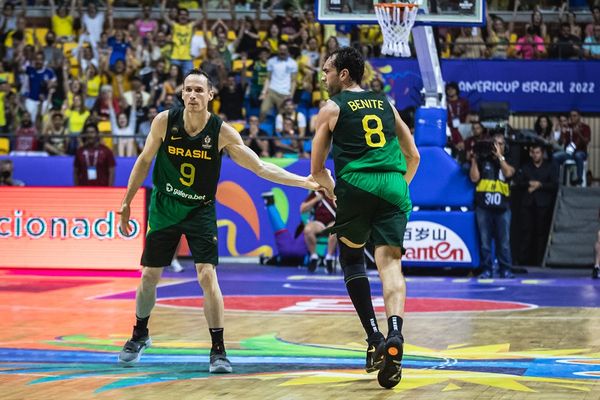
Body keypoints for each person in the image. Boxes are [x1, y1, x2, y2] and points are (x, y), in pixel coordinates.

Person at [116, 69, 320, 373]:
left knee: (206, 276)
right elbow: (144, 161)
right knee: (148, 276)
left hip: (200, 209)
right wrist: (126, 202)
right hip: (166, 206)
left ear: (211, 95)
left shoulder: (222, 133)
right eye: (188, 90)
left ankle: (218, 349)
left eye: (200, 90)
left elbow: (261, 168)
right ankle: (140, 334)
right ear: (182, 94)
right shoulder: (164, 122)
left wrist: (305, 182)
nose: (193, 95)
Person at [311, 47, 420, 389]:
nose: (324, 76)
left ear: (343, 74)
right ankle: (396, 334)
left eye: (327, 70)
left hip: (356, 184)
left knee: (352, 259)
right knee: (390, 265)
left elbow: (317, 170)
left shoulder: (331, 108)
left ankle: (374, 338)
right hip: (392, 184)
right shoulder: (386, 103)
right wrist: (396, 188)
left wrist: (334, 190)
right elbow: (412, 154)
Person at [470, 132, 516, 279]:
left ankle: (505, 269)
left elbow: (509, 173)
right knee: (485, 242)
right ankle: (487, 269)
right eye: (494, 143)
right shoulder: (483, 159)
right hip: (484, 207)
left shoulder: (508, 160)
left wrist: (500, 157)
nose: (496, 146)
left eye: (500, 144)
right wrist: (474, 160)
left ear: (505, 146)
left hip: (503, 208)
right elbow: (474, 178)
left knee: (504, 242)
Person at [514, 144, 558, 266]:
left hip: (543, 204)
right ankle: (523, 260)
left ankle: (540, 261)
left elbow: (554, 185)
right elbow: (518, 183)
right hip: (527, 204)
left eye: (537, 152)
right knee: (525, 232)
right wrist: (529, 183)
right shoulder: (526, 167)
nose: (535, 155)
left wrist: (540, 185)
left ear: (542, 153)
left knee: (541, 234)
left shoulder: (549, 167)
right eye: (533, 152)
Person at [300, 191, 337, 273]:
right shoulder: (316, 193)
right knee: (308, 230)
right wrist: (316, 199)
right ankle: (314, 257)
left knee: (336, 229)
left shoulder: (337, 192)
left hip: (333, 222)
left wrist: (336, 204)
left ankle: (329, 258)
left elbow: (346, 210)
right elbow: (302, 209)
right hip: (319, 223)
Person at [73, 123, 116, 187]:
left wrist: (110, 189)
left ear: (97, 134)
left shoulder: (106, 151)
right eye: (88, 132)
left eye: (92, 132)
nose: (90, 135)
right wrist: (77, 189)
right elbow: (76, 172)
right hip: (84, 189)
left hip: (102, 189)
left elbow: (111, 171)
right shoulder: (80, 151)